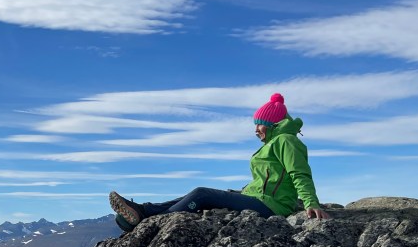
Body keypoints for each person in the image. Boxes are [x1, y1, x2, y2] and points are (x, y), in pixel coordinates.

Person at [109, 93, 328, 232]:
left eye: (259, 124)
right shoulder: (274, 142)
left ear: (272, 124)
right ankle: (141, 210)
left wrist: (311, 203)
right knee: (193, 196)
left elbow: (299, 173)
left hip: (272, 205)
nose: (255, 129)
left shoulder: (286, 141)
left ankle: (156, 224)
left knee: (202, 194)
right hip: (257, 197)